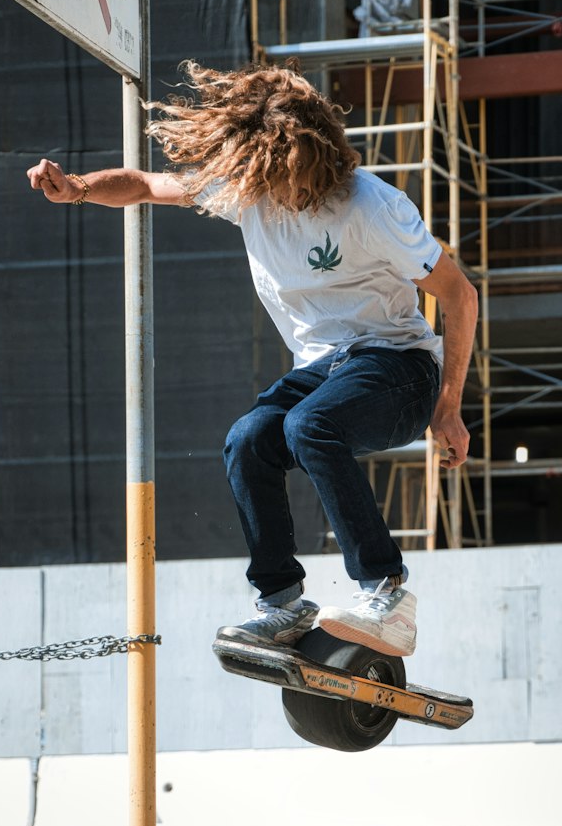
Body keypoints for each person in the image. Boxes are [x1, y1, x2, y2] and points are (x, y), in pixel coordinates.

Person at [27, 62, 477, 658]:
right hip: (323, 371)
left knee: (308, 425)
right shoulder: (247, 190)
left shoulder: (373, 207)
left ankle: (387, 593)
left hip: (398, 367)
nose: (284, 200)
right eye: (272, 186)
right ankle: (283, 604)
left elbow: (458, 294)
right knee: (247, 440)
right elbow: (140, 183)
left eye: (294, 185)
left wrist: (448, 410)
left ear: (315, 161)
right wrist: (79, 187)